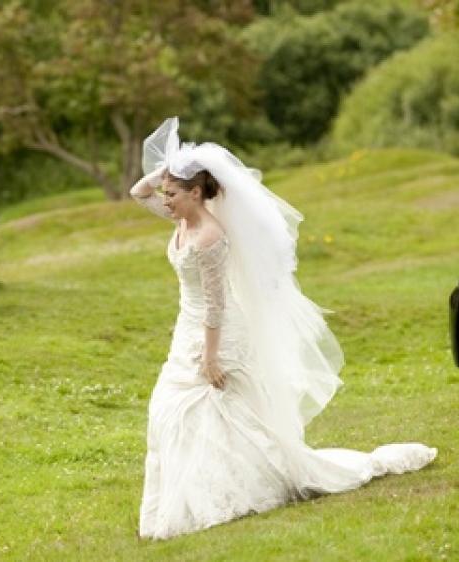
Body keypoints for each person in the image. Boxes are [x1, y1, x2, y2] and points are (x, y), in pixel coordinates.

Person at [131, 117, 437, 540]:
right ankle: (191, 494)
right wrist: (171, 171)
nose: (165, 202)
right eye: (166, 195)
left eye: (172, 194)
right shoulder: (181, 219)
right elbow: (138, 193)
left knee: (213, 407)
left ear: (196, 194)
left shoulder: (209, 237)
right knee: (170, 408)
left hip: (216, 332)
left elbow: (217, 305)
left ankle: (236, 491)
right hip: (187, 326)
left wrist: (211, 356)